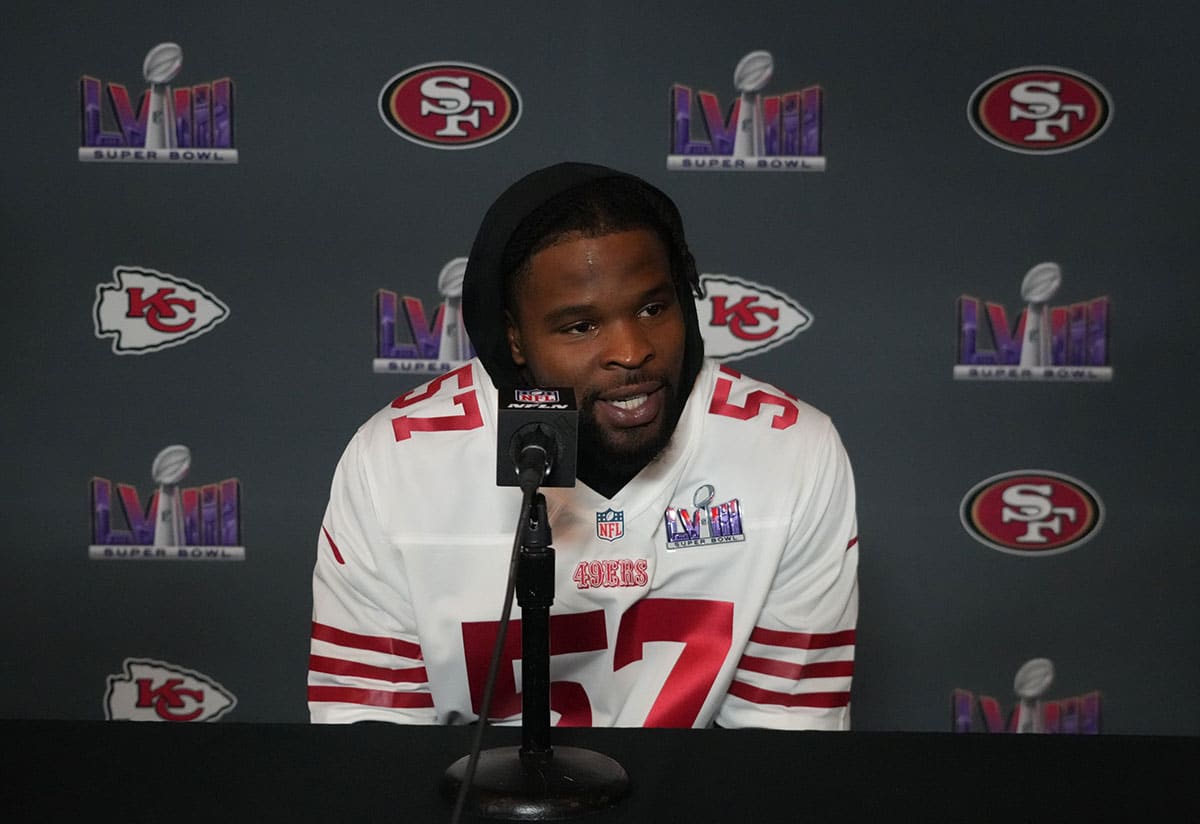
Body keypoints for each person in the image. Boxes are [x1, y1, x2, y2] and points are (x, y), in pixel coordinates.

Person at [308, 162, 859, 729]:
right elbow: (371, 749)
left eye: (653, 308)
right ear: (515, 336)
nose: (631, 350)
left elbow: (784, 752)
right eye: (580, 326)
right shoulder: (396, 461)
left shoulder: (791, 450)